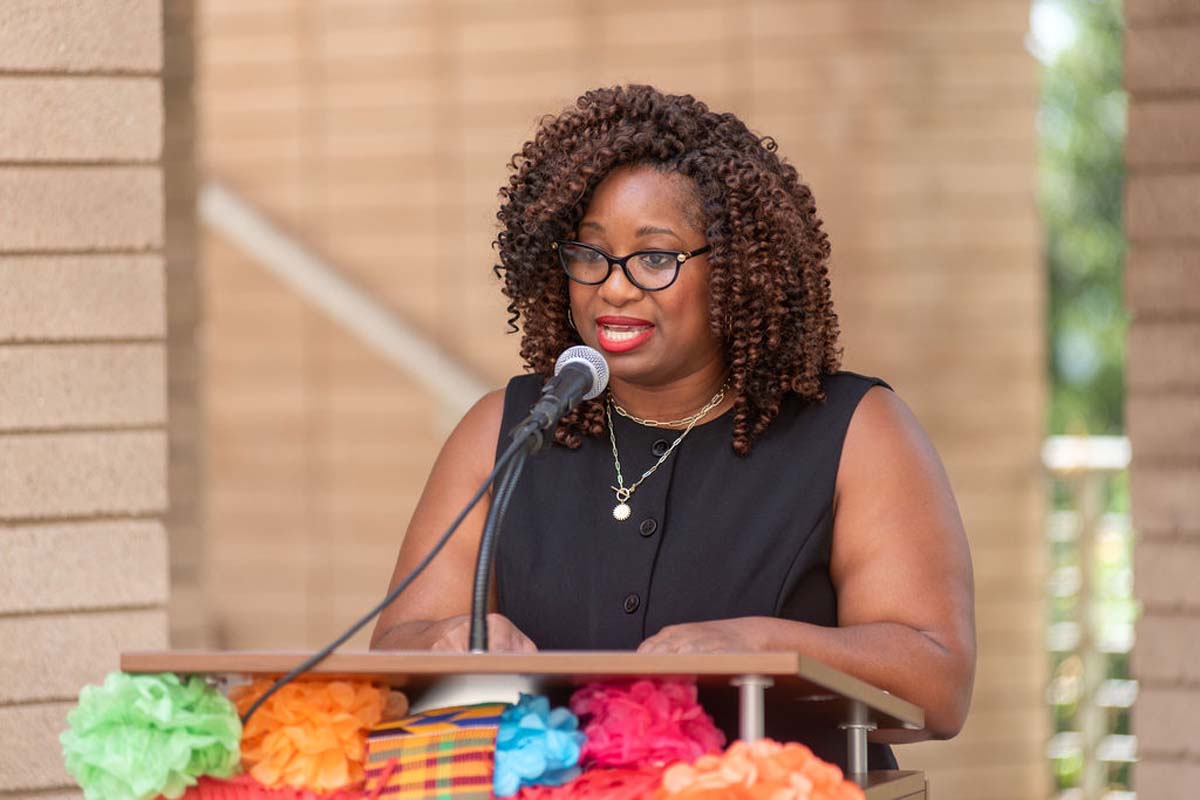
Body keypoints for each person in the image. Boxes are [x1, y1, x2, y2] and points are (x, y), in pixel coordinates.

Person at [370, 85, 975, 768]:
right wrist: (450, 641)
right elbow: (396, 651)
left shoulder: (856, 432)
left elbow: (938, 681)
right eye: (590, 255)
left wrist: (761, 648)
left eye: (655, 257)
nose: (614, 287)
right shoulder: (506, 432)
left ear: (743, 270)